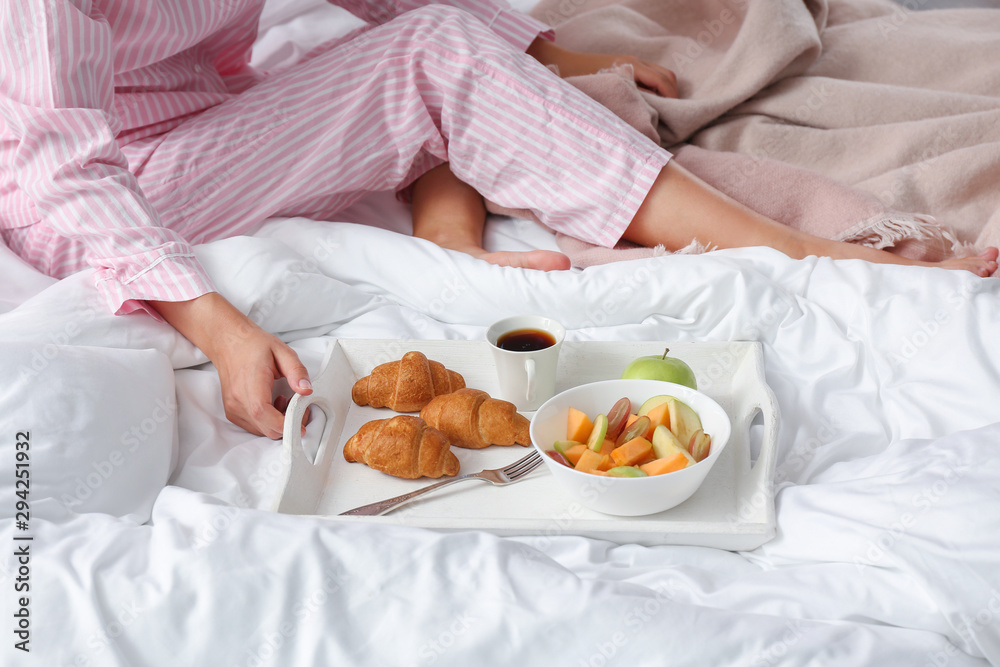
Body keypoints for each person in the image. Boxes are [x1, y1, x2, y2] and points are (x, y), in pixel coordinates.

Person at [2, 1, 996, 441]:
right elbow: (56, 160)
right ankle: (807, 256)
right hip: (96, 191)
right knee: (428, 64)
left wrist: (534, 54)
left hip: (206, 122)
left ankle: (448, 247)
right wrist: (216, 323)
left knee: (436, 66)